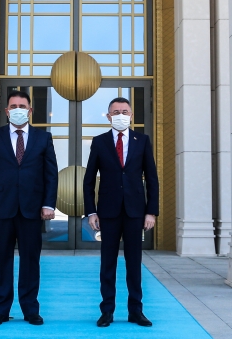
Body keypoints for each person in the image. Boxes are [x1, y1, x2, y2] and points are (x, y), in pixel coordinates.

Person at [0, 90, 58, 326]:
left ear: (30, 111)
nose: (18, 110)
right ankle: (0, 310)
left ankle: (30, 310)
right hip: (1, 207)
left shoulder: (43, 138)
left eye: (22, 106)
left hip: (32, 209)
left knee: (30, 260)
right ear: (6, 111)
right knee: (1, 260)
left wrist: (48, 204)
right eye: (13, 106)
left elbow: (51, 174)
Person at [83, 97, 159, 328]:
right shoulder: (99, 142)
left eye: (124, 111)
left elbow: (152, 179)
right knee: (108, 263)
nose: (120, 115)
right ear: (108, 116)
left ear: (131, 115)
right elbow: (88, 180)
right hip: (108, 212)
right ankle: (107, 311)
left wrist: (151, 212)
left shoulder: (142, 140)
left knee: (134, 263)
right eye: (115, 112)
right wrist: (91, 212)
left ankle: (136, 311)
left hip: (136, 211)